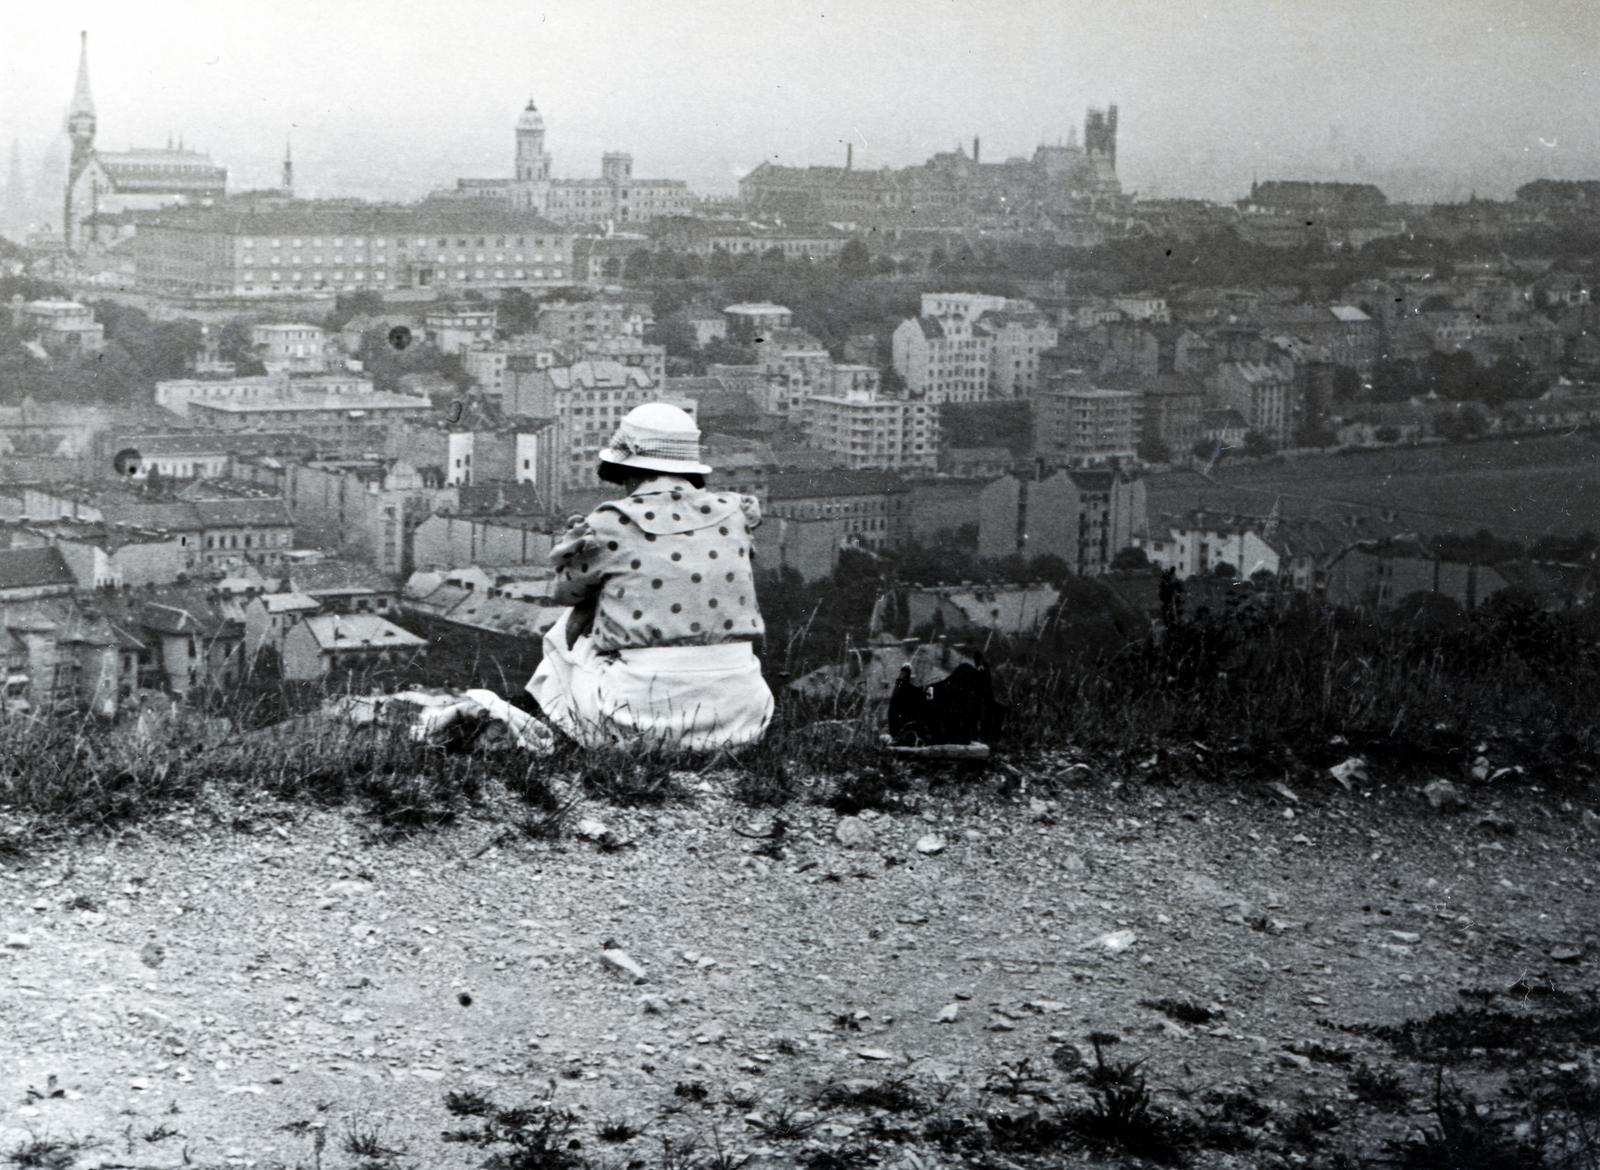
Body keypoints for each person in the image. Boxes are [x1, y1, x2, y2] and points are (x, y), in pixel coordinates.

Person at [519, 402, 775, 752]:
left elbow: (564, 593)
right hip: (742, 717)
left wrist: (574, 549)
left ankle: (548, 727)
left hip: (641, 722)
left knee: (576, 618)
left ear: (627, 470)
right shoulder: (735, 513)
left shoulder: (611, 521)